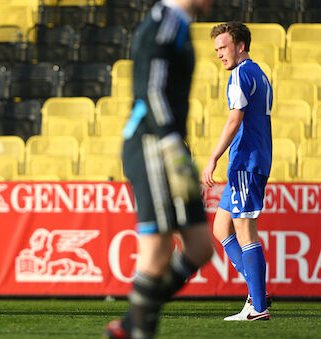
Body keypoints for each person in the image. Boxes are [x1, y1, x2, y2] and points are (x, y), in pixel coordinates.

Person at [103, 0, 215, 338]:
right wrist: (170, 146)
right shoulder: (165, 22)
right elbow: (150, 91)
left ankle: (127, 324)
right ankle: (137, 331)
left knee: (200, 247)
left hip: (169, 146)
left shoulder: (176, 23)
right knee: (157, 253)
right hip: (153, 145)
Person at [201, 22, 272, 321]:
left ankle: (258, 306)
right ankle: (258, 293)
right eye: (216, 48)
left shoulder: (241, 74)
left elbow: (234, 120)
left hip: (246, 160)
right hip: (246, 161)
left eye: (224, 47)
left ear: (240, 45)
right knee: (221, 228)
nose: (219, 54)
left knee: (244, 230)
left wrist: (213, 157)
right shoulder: (258, 72)